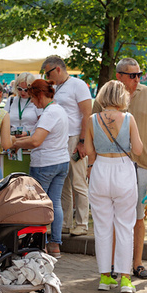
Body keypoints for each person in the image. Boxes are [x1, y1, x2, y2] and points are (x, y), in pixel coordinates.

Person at [100, 57, 147, 280]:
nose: (137, 79)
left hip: (140, 163)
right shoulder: (105, 96)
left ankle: (137, 263)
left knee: (137, 215)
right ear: (119, 76)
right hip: (110, 164)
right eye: (132, 75)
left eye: (139, 74)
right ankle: (111, 264)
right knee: (112, 216)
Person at [85, 80, 142, 293]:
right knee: (125, 225)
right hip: (122, 169)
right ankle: (125, 278)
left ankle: (104, 276)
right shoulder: (128, 118)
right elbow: (138, 149)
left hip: (100, 169)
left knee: (102, 226)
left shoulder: (92, 119)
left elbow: (89, 150)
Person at [11, 79, 71, 259]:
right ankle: (55, 244)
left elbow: (36, 141)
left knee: (37, 205)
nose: (31, 101)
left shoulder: (49, 113)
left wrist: (15, 143)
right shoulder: (59, 110)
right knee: (55, 203)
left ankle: (39, 245)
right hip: (61, 161)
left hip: (45, 163)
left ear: (39, 95)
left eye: (32, 97)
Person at [41, 55, 92, 237]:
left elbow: (87, 114)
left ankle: (82, 223)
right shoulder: (57, 87)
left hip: (74, 137)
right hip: (61, 139)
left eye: (48, 73)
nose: (47, 77)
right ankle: (65, 222)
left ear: (58, 69)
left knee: (78, 182)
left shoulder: (78, 85)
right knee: (63, 184)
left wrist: (82, 141)